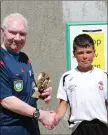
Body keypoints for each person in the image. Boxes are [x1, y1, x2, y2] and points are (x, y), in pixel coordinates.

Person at [0, 13, 56, 135]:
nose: (18, 38)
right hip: (10, 129)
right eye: (13, 32)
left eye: (22, 34)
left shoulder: (24, 58)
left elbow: (28, 93)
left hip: (31, 127)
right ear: (2, 31)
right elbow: (6, 100)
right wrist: (40, 114)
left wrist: (41, 93)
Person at [46, 34, 108, 135]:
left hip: (101, 128)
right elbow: (63, 103)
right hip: (78, 128)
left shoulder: (104, 76)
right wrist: (55, 118)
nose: (85, 56)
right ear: (74, 54)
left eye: (88, 52)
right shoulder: (67, 77)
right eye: (80, 53)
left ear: (94, 53)